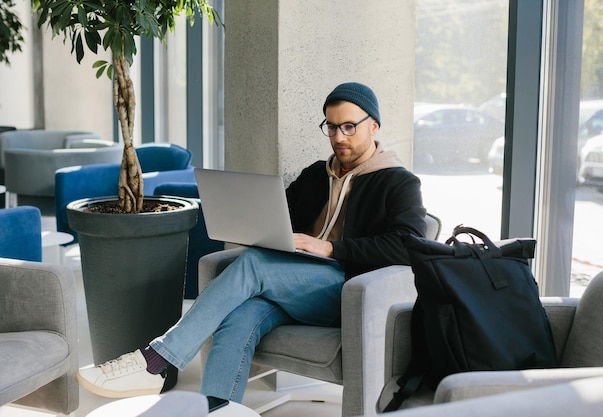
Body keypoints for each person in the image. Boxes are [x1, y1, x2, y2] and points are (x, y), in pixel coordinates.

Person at [77, 81, 428, 401]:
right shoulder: (315, 176)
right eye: (332, 127)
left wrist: (330, 247)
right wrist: (251, 224)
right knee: (240, 317)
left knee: (253, 265)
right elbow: (275, 218)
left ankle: (158, 359)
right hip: (295, 285)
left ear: (373, 126)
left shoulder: (398, 182)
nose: (339, 137)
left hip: (347, 290)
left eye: (349, 126)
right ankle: (216, 409)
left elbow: (408, 245)